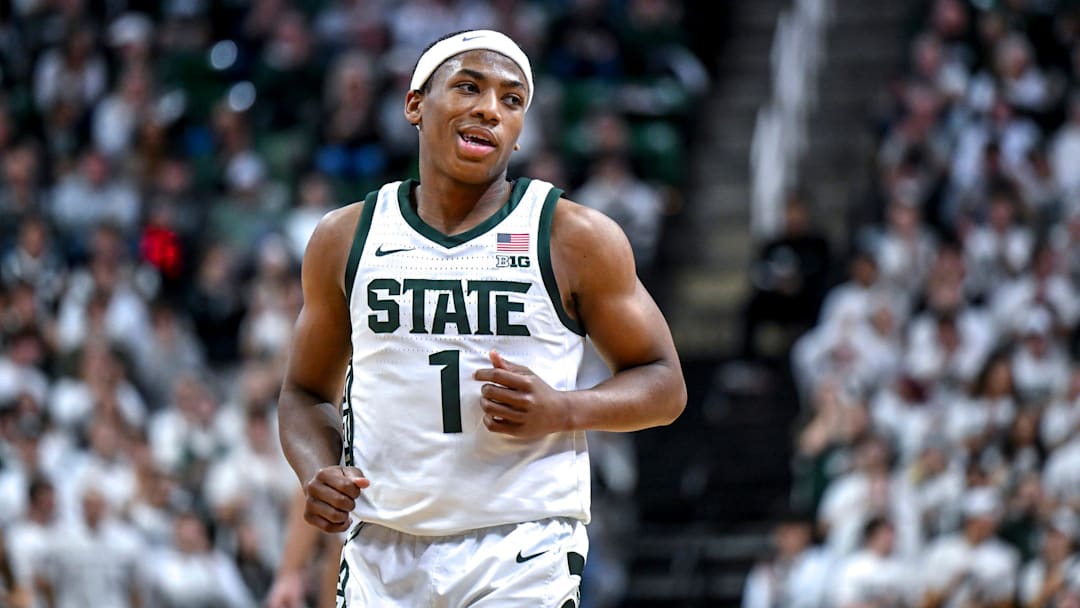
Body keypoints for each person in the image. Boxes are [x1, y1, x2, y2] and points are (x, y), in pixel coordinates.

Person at [277, 29, 686, 607]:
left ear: (521, 130)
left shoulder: (574, 236)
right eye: (468, 87)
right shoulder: (347, 237)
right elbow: (301, 391)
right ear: (415, 104)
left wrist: (564, 408)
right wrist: (316, 468)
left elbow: (665, 384)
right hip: (381, 548)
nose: (489, 109)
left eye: (511, 99)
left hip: (522, 545)